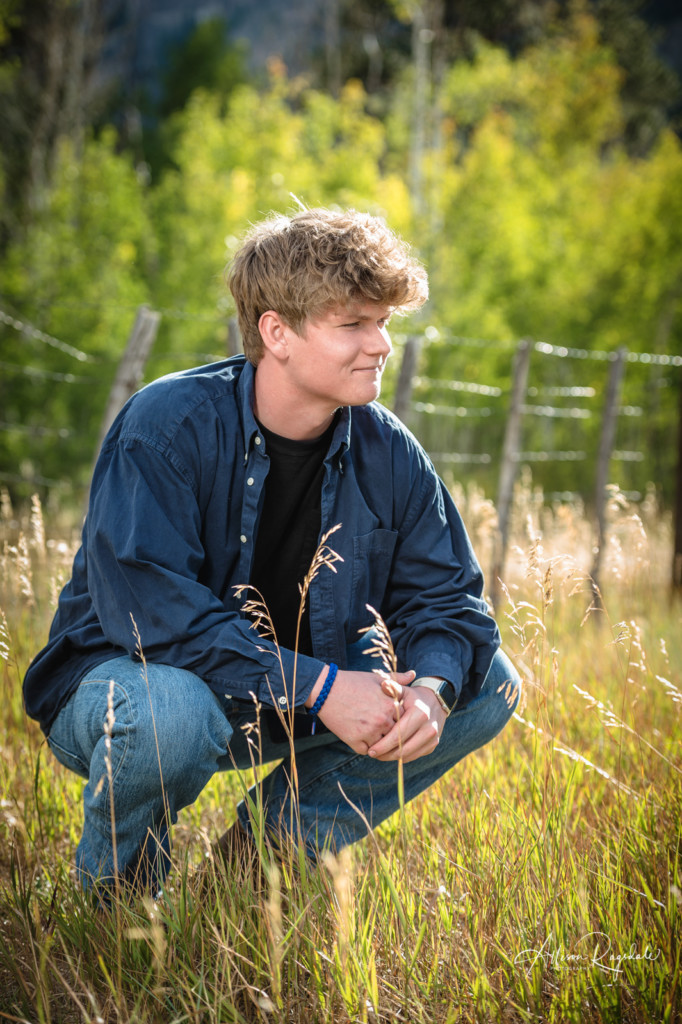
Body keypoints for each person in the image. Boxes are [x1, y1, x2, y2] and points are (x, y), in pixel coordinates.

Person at [23, 207, 520, 896]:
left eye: (384, 322)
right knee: (171, 711)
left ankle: (253, 869)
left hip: (289, 701)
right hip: (135, 697)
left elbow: (448, 603)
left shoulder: (388, 449)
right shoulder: (165, 428)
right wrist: (321, 688)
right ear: (276, 331)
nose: (380, 344)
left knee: (485, 681)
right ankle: (120, 900)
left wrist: (432, 693)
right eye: (353, 323)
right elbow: (151, 620)